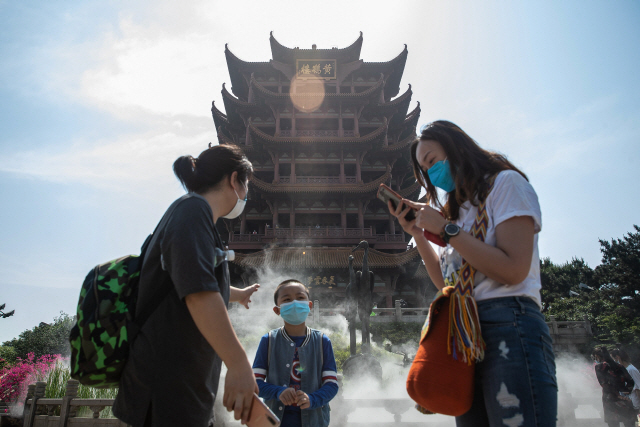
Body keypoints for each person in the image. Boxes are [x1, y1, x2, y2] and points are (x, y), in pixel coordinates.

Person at [388, 120, 557, 426]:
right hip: (464, 331)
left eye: (432, 161)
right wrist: (420, 234)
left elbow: (514, 270)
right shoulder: (459, 213)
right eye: (425, 171)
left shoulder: (505, 185)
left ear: (456, 148)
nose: (431, 173)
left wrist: (446, 231)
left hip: (509, 322)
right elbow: (447, 284)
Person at [113, 144, 260, 427]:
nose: (246, 195)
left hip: (181, 384)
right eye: (246, 185)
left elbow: (188, 280)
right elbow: (198, 293)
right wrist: (239, 363)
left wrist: (237, 294)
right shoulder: (193, 211)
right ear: (233, 179)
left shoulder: (193, 213)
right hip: (167, 383)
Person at [252, 279, 338, 427]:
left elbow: (331, 384)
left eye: (300, 298)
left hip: (314, 421)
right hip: (275, 420)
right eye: (287, 299)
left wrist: (313, 399)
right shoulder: (269, 340)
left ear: (309, 305)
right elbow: (254, 383)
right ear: (277, 310)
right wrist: (278, 392)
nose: (294, 303)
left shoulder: (323, 341)